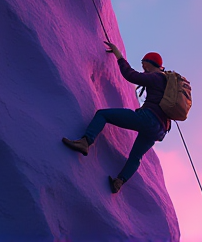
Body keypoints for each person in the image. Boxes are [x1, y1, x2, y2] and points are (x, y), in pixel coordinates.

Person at [62, 41, 171, 193]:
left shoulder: (156, 77)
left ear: (146, 64)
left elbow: (131, 75)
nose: (143, 68)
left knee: (103, 114)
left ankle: (85, 142)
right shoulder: (166, 81)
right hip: (159, 130)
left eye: (143, 64)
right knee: (136, 156)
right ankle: (119, 182)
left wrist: (118, 55)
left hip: (148, 118)